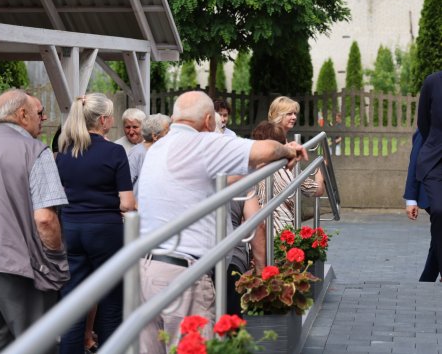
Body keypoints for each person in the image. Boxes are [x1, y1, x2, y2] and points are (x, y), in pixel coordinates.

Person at [137, 90, 307, 354]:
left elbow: (218, 180)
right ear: (208, 121)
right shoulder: (202, 144)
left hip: (148, 269)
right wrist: (289, 150)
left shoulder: (159, 146)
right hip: (184, 274)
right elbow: (266, 148)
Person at [56, 93, 136, 354]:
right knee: (111, 301)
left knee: (73, 302)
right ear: (103, 120)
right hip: (105, 231)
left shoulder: (64, 152)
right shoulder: (114, 151)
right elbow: (126, 203)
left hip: (71, 228)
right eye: (111, 116)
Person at [0, 89, 69, 353]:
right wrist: (56, 261)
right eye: (39, 113)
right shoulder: (35, 151)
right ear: (22, 114)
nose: (44, 118)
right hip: (22, 268)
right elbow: (45, 219)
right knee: (37, 344)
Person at [252, 121, 325, 234]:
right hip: (283, 235)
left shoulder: (249, 168)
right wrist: (319, 172)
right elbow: (317, 190)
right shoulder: (289, 168)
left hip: (256, 234)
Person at [416, 71, 442, 280]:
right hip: (435, 161)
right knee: (439, 211)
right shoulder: (433, 82)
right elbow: (423, 124)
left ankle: (429, 276)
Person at [404, 129, 438, 282]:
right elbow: (414, 164)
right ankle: (427, 278)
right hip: (432, 191)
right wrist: (411, 200)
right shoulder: (426, 131)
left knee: (438, 235)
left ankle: (427, 278)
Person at [227, 194, 265, 316]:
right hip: (231, 260)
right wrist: (261, 271)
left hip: (185, 262)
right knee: (230, 326)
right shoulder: (239, 180)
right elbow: (257, 225)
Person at [128, 113, 171, 196]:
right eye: (167, 132)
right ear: (155, 136)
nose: (170, 135)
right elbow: (126, 183)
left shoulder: (165, 152)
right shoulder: (137, 153)